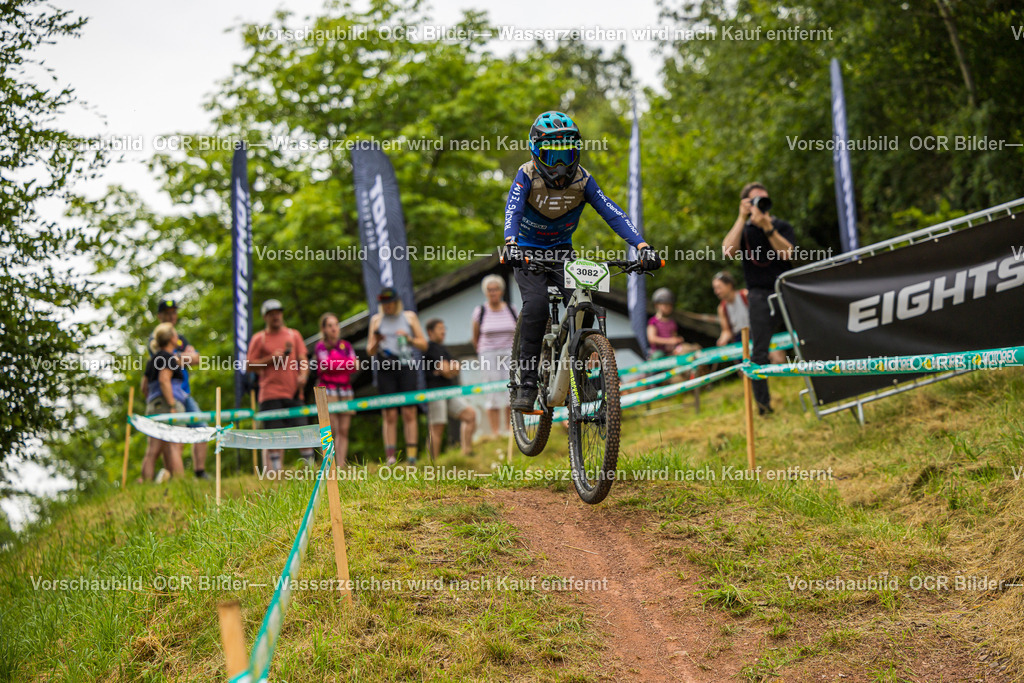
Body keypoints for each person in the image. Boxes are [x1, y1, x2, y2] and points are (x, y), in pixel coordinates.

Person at [503, 111, 662, 411]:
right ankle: (526, 383)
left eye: (567, 155)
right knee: (535, 306)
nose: (561, 166)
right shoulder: (526, 175)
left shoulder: (583, 179)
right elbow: (513, 212)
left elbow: (612, 212)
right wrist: (510, 243)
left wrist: (642, 246)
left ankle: (583, 376)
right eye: (552, 157)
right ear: (537, 153)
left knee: (582, 304)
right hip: (525, 251)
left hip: (562, 252)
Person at [722, 182, 796, 414]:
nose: (761, 204)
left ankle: (825, 387)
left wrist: (768, 228)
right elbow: (727, 250)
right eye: (756, 200)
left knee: (808, 337)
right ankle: (764, 406)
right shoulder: (744, 231)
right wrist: (741, 218)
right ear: (746, 204)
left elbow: (788, 253)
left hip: (786, 289)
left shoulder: (781, 226)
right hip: (759, 295)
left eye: (765, 199)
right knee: (759, 352)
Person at [246, 299, 314, 471]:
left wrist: (304, 375)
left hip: (294, 393)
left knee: (303, 432)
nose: (276, 316)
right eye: (271, 314)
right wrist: (270, 359)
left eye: (278, 312)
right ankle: (275, 473)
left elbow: (303, 360)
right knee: (274, 436)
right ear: (265, 317)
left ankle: (310, 471)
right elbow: (248, 366)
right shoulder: (259, 339)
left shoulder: (293, 335)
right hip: (269, 394)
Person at [366, 287, 428, 465]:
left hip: (406, 366)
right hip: (386, 368)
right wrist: (377, 341)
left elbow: (423, 344)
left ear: (396, 302)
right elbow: (370, 351)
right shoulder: (376, 320)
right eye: (383, 304)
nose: (387, 307)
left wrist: (409, 339)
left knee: (409, 411)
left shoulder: (409, 317)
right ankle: (390, 456)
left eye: (389, 304)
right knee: (389, 413)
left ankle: (412, 456)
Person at [149, 297, 209, 480]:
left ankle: (199, 472)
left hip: (185, 393)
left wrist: (180, 356)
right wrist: (185, 356)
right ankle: (172, 476)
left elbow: (197, 359)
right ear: (160, 316)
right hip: (169, 396)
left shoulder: (179, 338)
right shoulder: (156, 337)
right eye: (167, 313)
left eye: (174, 312)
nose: (171, 316)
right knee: (174, 439)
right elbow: (164, 359)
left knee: (202, 428)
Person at [424, 319, 478, 459]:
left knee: (470, 415)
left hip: (449, 391)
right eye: (440, 328)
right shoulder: (428, 349)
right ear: (430, 332)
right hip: (435, 393)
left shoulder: (443, 349)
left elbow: (454, 368)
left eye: (444, 328)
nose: (444, 331)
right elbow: (446, 370)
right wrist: (446, 369)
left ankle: (466, 452)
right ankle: (432, 462)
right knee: (437, 427)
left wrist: (448, 369)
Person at [141, 322, 187, 481]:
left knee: (153, 449)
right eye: (175, 334)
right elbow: (164, 380)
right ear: (171, 338)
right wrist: (172, 405)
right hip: (168, 403)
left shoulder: (152, 360)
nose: (178, 337)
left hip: (153, 405)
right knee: (175, 444)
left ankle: (146, 484)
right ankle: (180, 484)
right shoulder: (168, 357)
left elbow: (143, 387)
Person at [472, 275, 516, 434]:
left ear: (501, 291)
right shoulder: (480, 311)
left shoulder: (511, 309)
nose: (493, 293)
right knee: (492, 391)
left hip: (509, 352)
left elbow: (518, 331)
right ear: (486, 292)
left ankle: (510, 428)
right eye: (490, 290)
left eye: (496, 289)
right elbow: (475, 336)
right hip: (488, 353)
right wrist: (481, 353)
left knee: (510, 388)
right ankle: (495, 431)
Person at [314, 313, 358, 468]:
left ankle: (341, 465)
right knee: (330, 428)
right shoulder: (320, 346)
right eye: (330, 325)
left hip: (345, 390)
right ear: (324, 329)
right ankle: (328, 464)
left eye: (336, 324)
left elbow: (355, 366)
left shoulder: (346, 345)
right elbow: (326, 365)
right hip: (328, 390)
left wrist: (337, 363)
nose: (334, 328)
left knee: (344, 429)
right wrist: (345, 363)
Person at [647, 288, 701, 358]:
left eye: (670, 305)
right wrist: (670, 341)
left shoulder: (672, 322)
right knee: (658, 355)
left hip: (671, 351)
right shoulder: (653, 321)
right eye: (665, 305)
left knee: (688, 350)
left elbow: (673, 337)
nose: (668, 308)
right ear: (657, 305)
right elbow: (652, 339)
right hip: (658, 351)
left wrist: (677, 341)